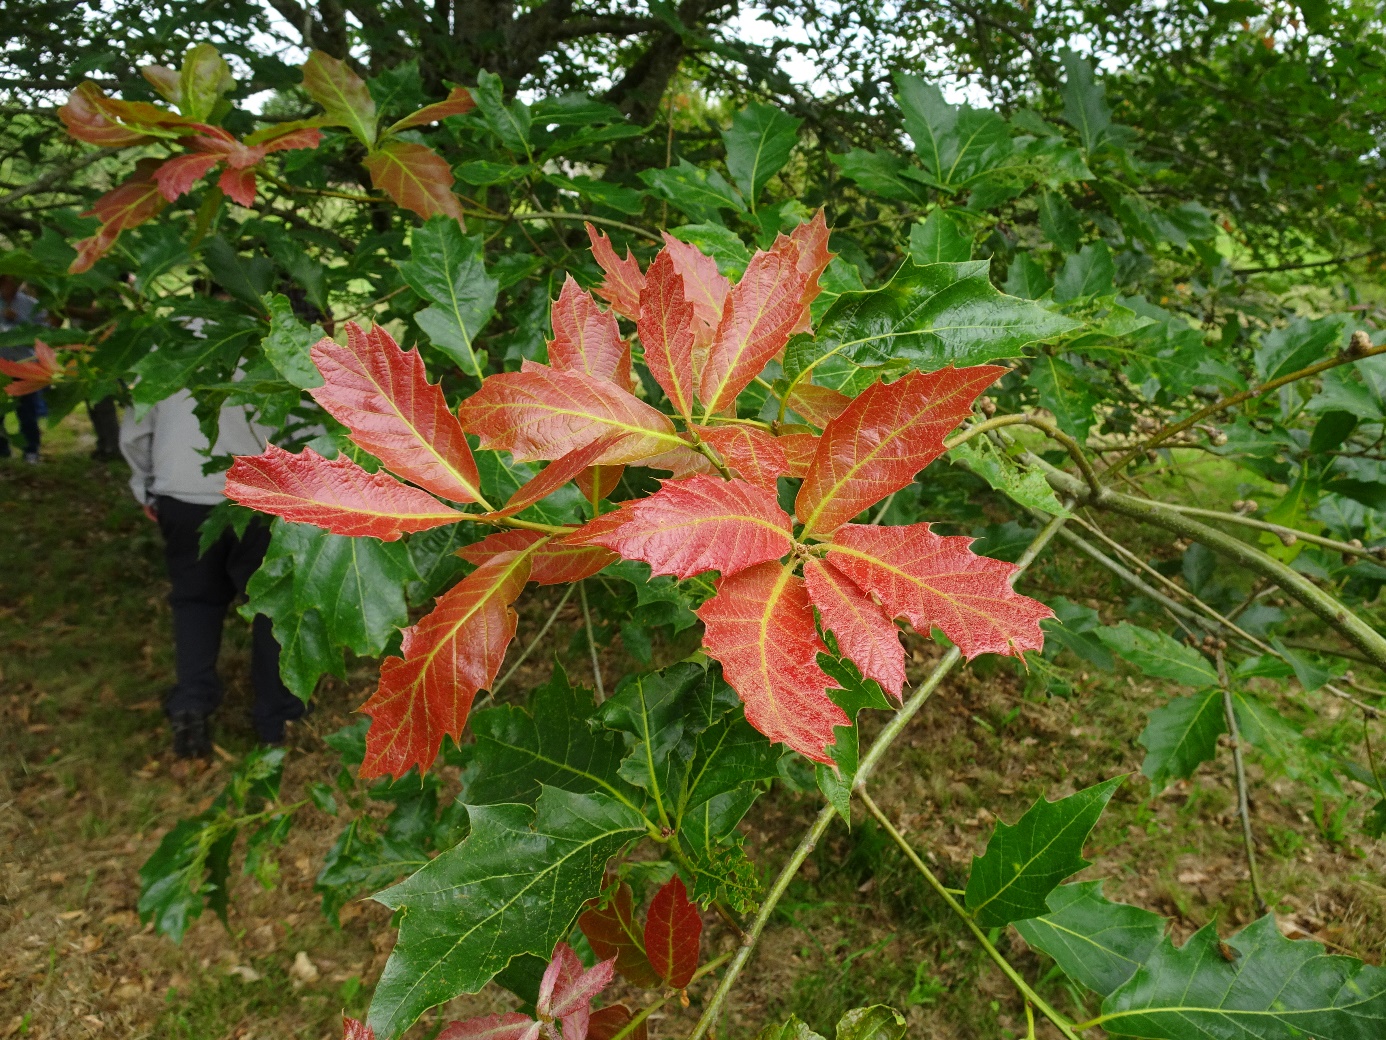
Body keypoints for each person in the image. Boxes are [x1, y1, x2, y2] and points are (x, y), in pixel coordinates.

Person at [121, 389, 306, 757]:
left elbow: (136, 431)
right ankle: (277, 716)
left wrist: (146, 485)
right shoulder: (280, 342)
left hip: (184, 491)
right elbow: (303, 425)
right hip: (263, 495)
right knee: (272, 606)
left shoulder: (164, 345)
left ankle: (191, 705)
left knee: (194, 600)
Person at [0, 275, 45, 463]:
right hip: (2, 364)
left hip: (24, 365)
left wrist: (19, 321)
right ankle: (2, 451)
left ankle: (31, 450)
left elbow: (44, 330)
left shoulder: (31, 304)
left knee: (27, 410)